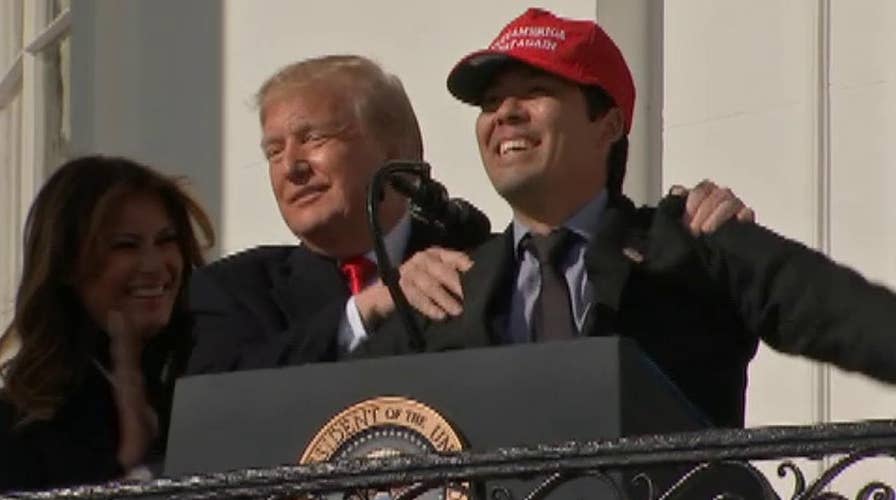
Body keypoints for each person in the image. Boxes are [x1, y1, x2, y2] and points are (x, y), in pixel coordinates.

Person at [360, 8, 896, 428]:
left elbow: (857, 321)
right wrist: (371, 305)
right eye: (492, 101)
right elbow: (318, 419)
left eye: (535, 92)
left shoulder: (694, 241)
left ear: (608, 125)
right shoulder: (444, 284)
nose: (505, 114)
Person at [185, 55, 486, 374]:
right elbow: (222, 398)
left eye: (313, 138)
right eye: (274, 152)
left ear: (396, 151)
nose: (290, 168)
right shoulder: (233, 291)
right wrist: (361, 312)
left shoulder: (479, 264)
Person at [0, 156, 214, 491]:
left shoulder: (213, 372)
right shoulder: (21, 425)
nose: (155, 265)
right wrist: (128, 463)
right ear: (67, 265)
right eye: (126, 245)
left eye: (166, 240)